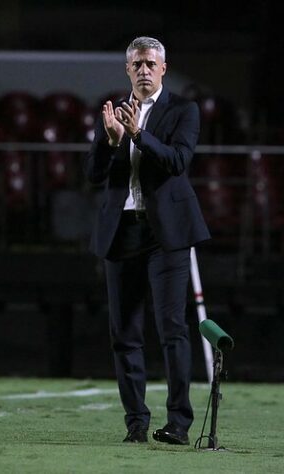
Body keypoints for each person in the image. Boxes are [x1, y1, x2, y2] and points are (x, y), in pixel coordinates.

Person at [84, 36, 210, 445]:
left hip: (165, 235)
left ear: (163, 69)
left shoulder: (182, 110)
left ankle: (178, 423)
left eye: (149, 64)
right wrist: (112, 140)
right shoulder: (114, 113)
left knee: (172, 328)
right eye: (136, 64)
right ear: (127, 70)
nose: (143, 70)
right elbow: (93, 175)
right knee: (124, 333)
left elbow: (177, 161)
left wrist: (139, 134)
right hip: (122, 233)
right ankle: (135, 423)